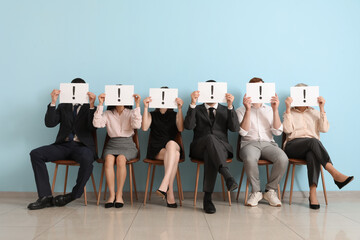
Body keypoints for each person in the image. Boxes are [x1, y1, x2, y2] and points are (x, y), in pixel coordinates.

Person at [28, 78, 97, 210]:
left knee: (88, 158)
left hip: (82, 147)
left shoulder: (89, 107)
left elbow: (92, 127)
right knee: (36, 154)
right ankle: (45, 197)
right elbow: (50, 123)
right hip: (63, 146)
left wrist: (92, 106)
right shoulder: (63, 106)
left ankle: (74, 195)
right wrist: (53, 102)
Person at [283, 83, 354, 209]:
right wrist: (288, 108)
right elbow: (287, 130)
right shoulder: (290, 112)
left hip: (311, 148)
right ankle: (334, 172)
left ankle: (313, 193)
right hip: (293, 146)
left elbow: (325, 129)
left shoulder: (315, 112)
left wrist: (322, 108)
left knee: (312, 153)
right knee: (313, 141)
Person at [184, 80, 240, 214]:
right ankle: (227, 176)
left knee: (211, 152)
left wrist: (231, 106)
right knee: (209, 139)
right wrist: (192, 104)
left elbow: (235, 128)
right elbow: (188, 126)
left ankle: (207, 199)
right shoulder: (196, 109)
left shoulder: (226, 109)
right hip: (199, 147)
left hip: (221, 149)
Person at [236, 77, 288, 207]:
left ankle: (270, 191)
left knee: (283, 158)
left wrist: (275, 109)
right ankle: (256, 192)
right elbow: (243, 132)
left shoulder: (270, 110)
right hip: (249, 144)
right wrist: (248, 110)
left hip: (268, 143)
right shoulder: (240, 110)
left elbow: (277, 132)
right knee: (249, 158)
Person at [93, 92, 141, 208]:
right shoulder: (107, 113)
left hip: (128, 144)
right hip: (112, 145)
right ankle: (111, 195)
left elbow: (137, 125)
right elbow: (97, 124)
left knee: (121, 159)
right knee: (108, 159)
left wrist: (137, 105)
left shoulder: (131, 113)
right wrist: (100, 104)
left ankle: (119, 195)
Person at [142, 87, 184, 208]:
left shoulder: (175, 114)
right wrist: (145, 108)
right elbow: (144, 128)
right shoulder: (152, 114)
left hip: (173, 145)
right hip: (157, 148)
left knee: (171, 144)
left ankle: (165, 183)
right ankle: (169, 192)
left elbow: (181, 128)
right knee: (175, 155)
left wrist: (180, 109)